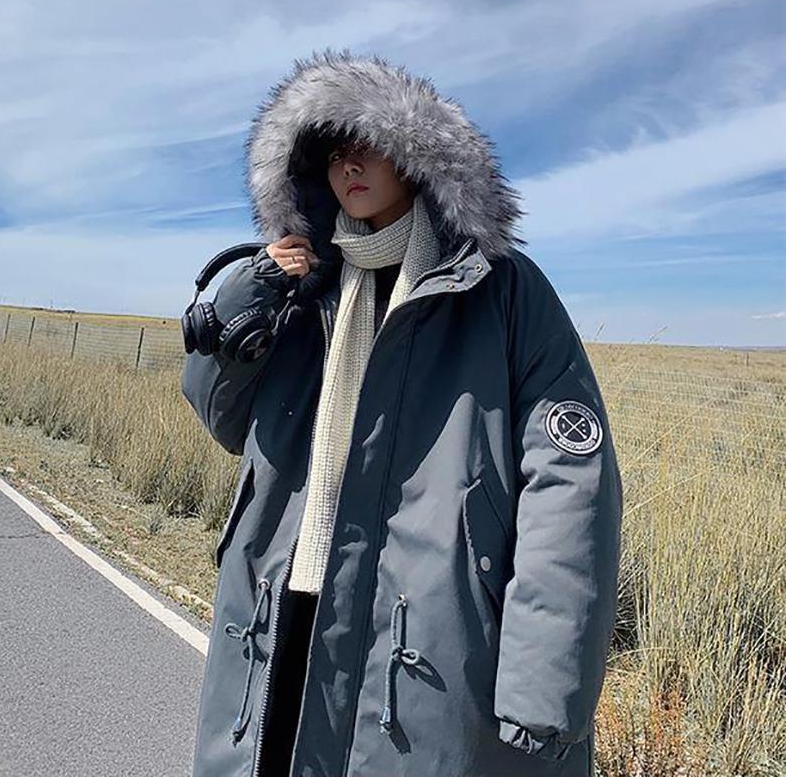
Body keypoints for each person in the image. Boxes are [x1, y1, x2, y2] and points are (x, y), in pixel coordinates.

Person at [181, 48, 623, 777]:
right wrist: (250, 292)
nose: (347, 167)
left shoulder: (500, 292)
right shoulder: (301, 288)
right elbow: (220, 416)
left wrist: (545, 680)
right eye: (331, 155)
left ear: (417, 158)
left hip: (424, 637)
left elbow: (571, 484)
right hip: (280, 607)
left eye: (367, 145)